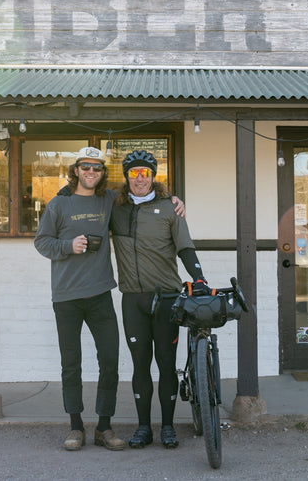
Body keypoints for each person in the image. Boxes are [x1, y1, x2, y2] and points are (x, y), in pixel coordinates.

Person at [34, 146, 184, 452]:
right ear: (75, 169)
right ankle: (76, 427)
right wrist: (67, 246)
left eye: (97, 168)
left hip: (101, 293)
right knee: (71, 363)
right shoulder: (58, 204)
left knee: (110, 361)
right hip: (66, 296)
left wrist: (172, 199)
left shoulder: (109, 200)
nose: (91, 172)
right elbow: (42, 242)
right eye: (86, 167)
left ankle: (104, 426)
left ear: (103, 174)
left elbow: (141, 191)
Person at [109, 149, 209, 450]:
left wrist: (199, 278)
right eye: (134, 173)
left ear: (154, 176)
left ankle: (167, 427)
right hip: (133, 299)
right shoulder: (115, 208)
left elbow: (185, 248)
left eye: (145, 173)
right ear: (126, 177)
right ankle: (143, 428)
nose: (140, 178)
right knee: (140, 365)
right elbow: (84, 197)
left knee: (166, 363)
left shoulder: (169, 208)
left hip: (166, 298)